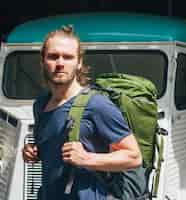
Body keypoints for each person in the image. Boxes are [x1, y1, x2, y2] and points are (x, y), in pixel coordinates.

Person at [22, 25, 143, 200]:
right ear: (43, 61)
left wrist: (87, 159)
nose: (60, 63)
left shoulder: (97, 105)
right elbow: (53, 150)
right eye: (53, 57)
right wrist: (32, 152)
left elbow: (134, 157)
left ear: (79, 63)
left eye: (68, 57)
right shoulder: (40, 104)